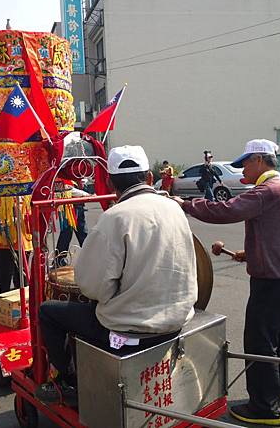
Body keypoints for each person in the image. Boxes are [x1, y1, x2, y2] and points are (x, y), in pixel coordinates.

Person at [36, 145, 198, 405]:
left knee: (48, 311)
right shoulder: (174, 208)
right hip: (176, 321)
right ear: (148, 177)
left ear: (111, 183)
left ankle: (69, 383)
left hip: (130, 330)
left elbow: (90, 287)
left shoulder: (115, 217)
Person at [172, 139, 280, 426]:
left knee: (259, 340)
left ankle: (264, 408)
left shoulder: (266, 191)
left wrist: (185, 205)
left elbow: (226, 210)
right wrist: (250, 254)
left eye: (245, 162)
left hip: (272, 280)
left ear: (259, 160)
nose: (243, 168)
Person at [55, 180, 89, 267]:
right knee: (68, 232)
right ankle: (59, 259)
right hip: (69, 205)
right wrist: (86, 194)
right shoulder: (63, 172)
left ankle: (59, 259)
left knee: (81, 232)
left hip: (77, 203)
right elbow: (67, 188)